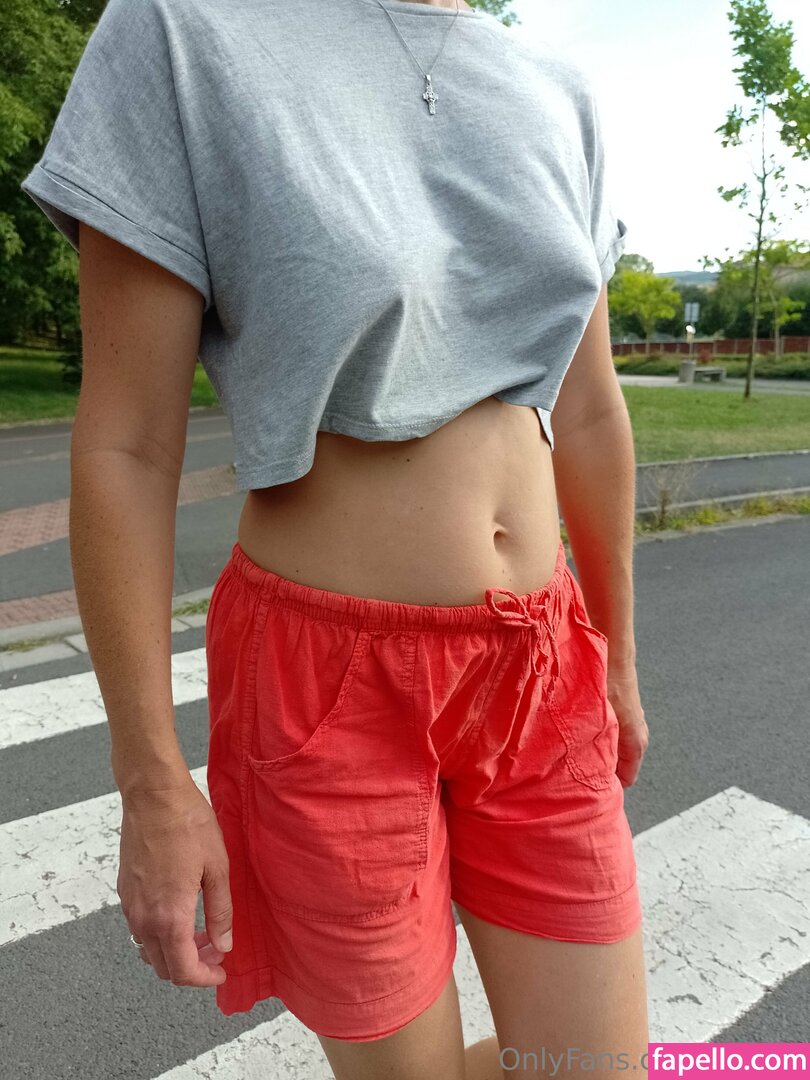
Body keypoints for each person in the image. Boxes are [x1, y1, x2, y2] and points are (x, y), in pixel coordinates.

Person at [21, 0, 650, 1075]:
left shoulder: (558, 92)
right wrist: (151, 780)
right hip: (327, 686)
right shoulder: (186, 34)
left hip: (540, 668)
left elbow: (588, 412)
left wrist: (617, 659)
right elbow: (126, 445)